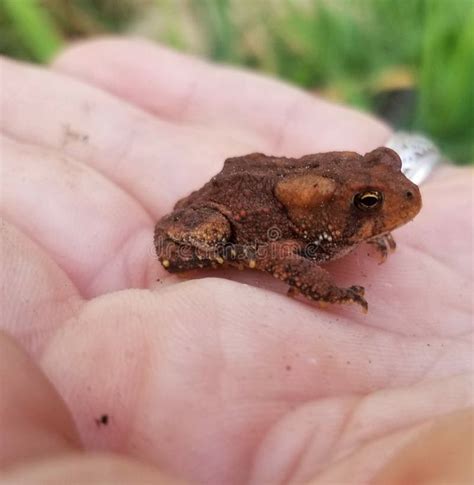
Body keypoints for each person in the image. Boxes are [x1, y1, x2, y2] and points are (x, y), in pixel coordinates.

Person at [0, 38, 472, 484]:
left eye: (385, 184)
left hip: (271, 182)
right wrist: (326, 288)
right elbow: (276, 252)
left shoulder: (331, 219)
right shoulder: (307, 233)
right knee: (201, 236)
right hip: (226, 211)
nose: (403, 195)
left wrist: (374, 224)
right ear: (341, 210)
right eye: (370, 201)